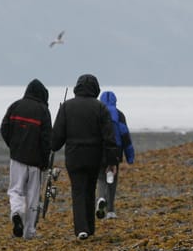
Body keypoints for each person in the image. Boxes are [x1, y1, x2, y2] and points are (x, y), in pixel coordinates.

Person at [51, 74, 117, 240]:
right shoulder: (100, 107)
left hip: (74, 156)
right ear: (95, 88)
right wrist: (111, 161)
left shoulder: (66, 107)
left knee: (78, 191)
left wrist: (52, 145)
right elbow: (109, 137)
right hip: (94, 156)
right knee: (90, 189)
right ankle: (90, 228)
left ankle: (81, 229)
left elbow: (57, 138)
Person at [0, 79, 52, 239]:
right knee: (32, 197)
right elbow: (46, 140)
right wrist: (45, 161)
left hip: (17, 159)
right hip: (36, 162)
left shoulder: (15, 106)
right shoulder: (43, 111)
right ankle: (29, 232)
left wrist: (13, 146)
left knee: (15, 190)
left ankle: (16, 212)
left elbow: (4, 128)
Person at [96, 90, 135, 220]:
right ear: (115, 101)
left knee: (101, 177)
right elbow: (125, 135)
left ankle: (101, 198)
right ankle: (111, 210)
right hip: (116, 150)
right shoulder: (119, 115)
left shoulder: (97, 113)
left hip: (99, 150)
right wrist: (130, 156)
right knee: (112, 177)